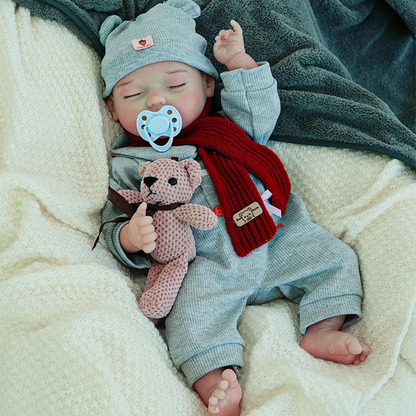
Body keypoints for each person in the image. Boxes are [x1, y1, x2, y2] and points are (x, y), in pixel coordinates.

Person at [99, 1, 370, 415]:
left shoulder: (228, 128)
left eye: (175, 85)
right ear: (113, 110)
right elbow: (116, 216)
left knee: (335, 260)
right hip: (207, 266)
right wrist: (130, 237)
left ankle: (322, 328)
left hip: (274, 236)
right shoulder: (130, 165)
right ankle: (216, 385)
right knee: (189, 323)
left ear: (208, 86)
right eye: (134, 93)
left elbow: (261, 115)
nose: (156, 102)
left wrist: (238, 64)